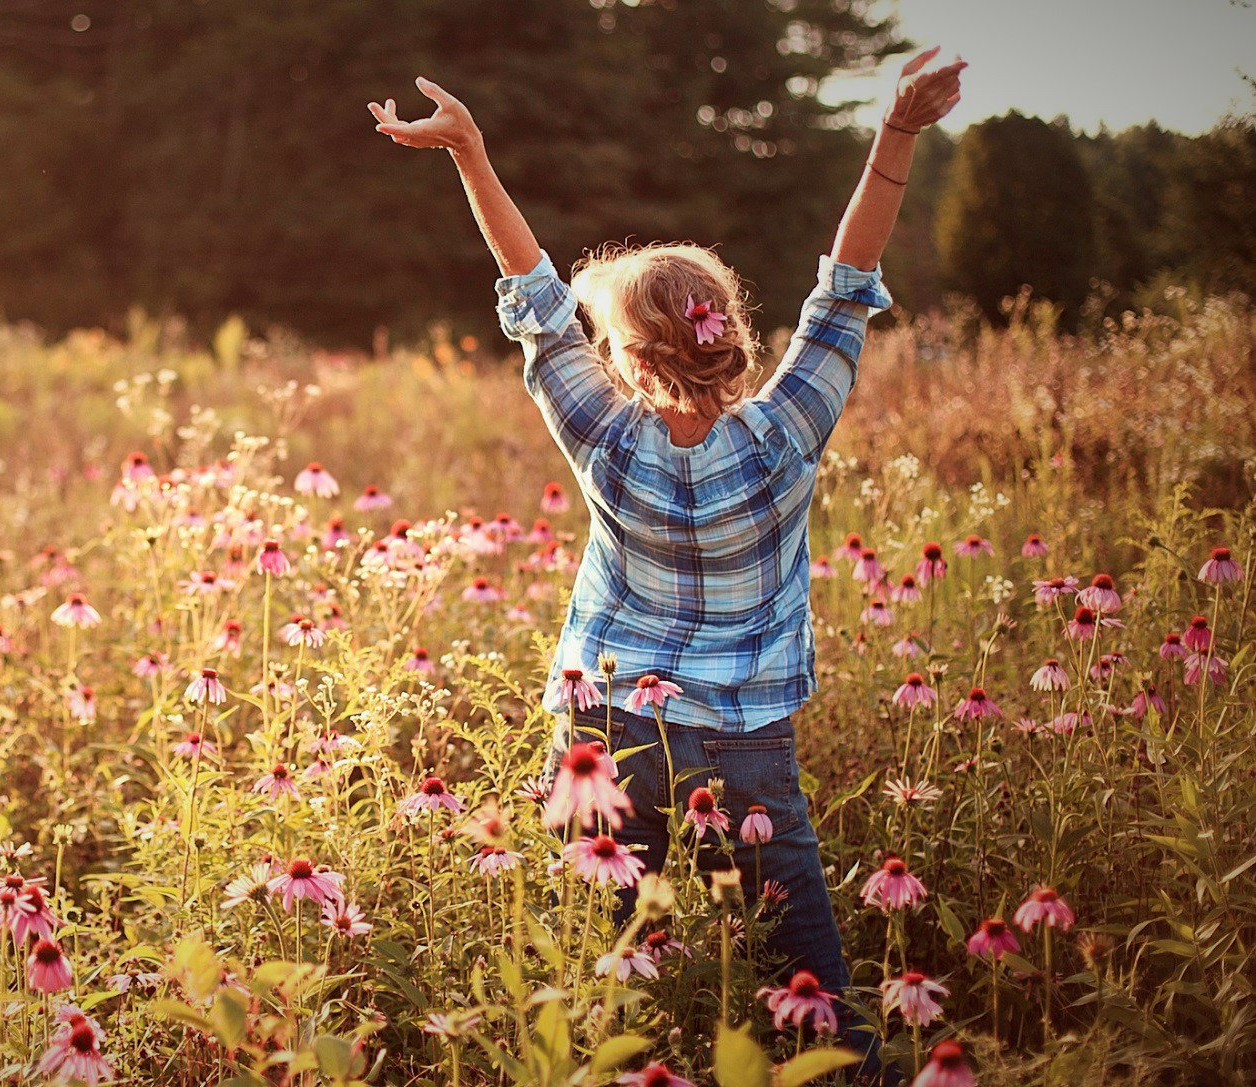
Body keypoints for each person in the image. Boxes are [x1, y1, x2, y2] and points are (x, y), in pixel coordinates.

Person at [369, 46, 966, 1078]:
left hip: (603, 730)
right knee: (805, 980)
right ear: (725, 333)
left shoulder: (599, 433)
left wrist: (468, 153)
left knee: (617, 976)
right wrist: (895, 133)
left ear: (628, 361)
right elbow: (842, 289)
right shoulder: (787, 433)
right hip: (741, 743)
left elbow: (532, 295)